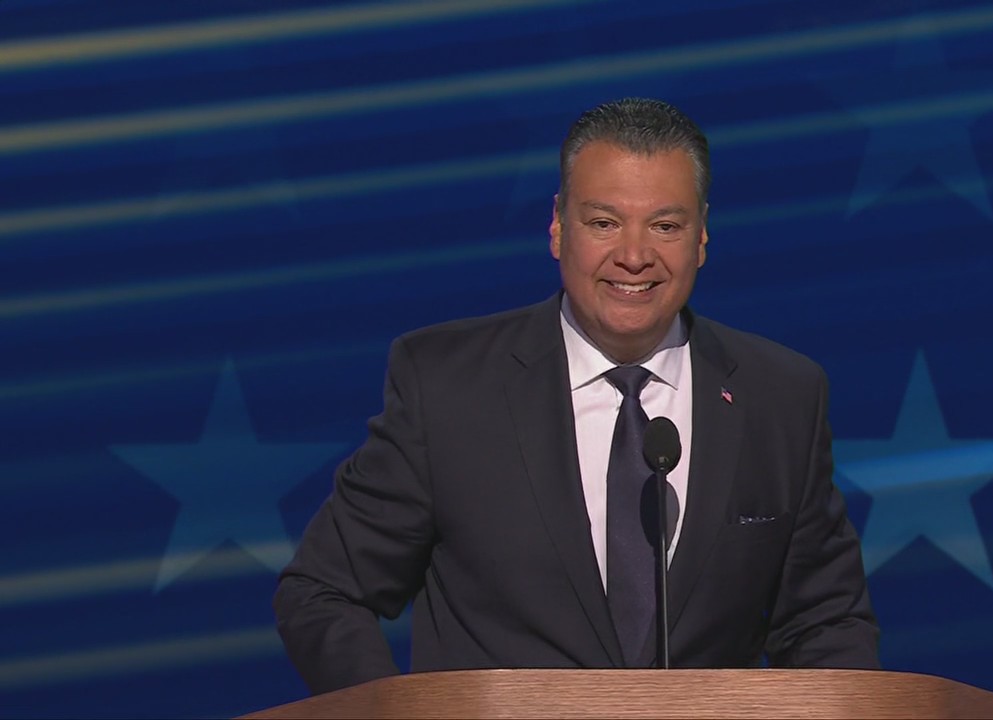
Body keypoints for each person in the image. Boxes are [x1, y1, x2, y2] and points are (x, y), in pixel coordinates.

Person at [274, 98, 880, 695]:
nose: (635, 256)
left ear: (701, 237)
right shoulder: (448, 387)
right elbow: (324, 592)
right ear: (559, 228)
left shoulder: (781, 396)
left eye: (665, 226)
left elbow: (825, 624)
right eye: (604, 222)